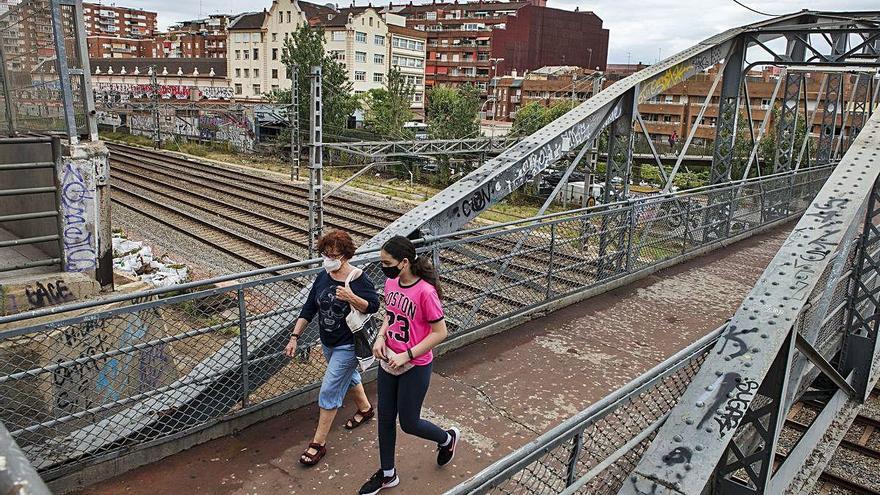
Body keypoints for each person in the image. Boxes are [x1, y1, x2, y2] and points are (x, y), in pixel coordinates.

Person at [358, 235, 461, 495]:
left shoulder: (425, 292)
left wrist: (408, 355)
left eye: (387, 262)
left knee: (409, 422)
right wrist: (381, 338)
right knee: (384, 419)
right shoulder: (392, 283)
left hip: (415, 365)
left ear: (404, 262)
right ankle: (387, 474)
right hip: (389, 359)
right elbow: (391, 315)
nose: (383, 267)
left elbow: (440, 332)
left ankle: (447, 439)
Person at [284, 230, 380, 467]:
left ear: (345, 255)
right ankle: (366, 409)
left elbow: (374, 306)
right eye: (326, 254)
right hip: (327, 342)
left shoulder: (358, 278)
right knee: (347, 378)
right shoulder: (323, 275)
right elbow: (308, 308)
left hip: (348, 345)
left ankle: (318, 444)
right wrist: (294, 336)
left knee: (329, 390)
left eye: (334, 255)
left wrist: (352, 298)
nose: (329, 258)